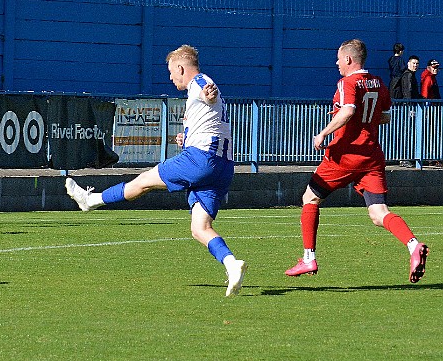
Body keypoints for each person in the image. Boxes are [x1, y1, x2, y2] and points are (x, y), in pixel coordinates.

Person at [64, 45, 246, 297]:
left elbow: (208, 92)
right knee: (199, 228)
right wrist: (188, 136)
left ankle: (90, 200)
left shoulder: (200, 82)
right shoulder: (199, 92)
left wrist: (210, 94)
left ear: (181, 68)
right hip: (223, 167)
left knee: (143, 181)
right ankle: (231, 264)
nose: (171, 77)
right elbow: (212, 116)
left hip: (200, 161)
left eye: (172, 72)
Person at [284, 39, 428, 283]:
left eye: (339, 58)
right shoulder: (379, 83)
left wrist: (324, 132)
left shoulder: (347, 82)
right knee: (379, 213)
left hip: (344, 155)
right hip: (371, 156)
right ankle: (413, 245)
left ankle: (309, 258)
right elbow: (385, 117)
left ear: (349, 59)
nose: (337, 63)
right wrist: (365, 120)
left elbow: (348, 110)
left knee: (310, 198)